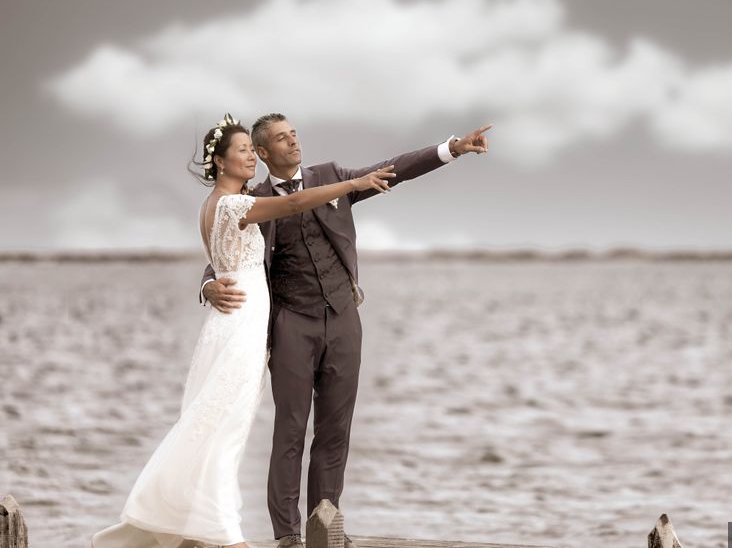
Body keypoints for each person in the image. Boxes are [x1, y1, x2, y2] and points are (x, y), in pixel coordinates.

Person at [91, 114, 395, 548]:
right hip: (241, 329)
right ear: (219, 160)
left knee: (215, 424)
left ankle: (191, 524)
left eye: (253, 151)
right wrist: (353, 184)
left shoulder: (216, 205)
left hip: (240, 326)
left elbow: (225, 258)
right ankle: (226, 533)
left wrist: (210, 284)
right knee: (226, 428)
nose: (251, 156)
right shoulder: (236, 204)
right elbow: (291, 206)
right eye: (243, 151)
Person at [200, 113, 491, 548]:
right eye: (281, 139)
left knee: (336, 426)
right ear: (262, 153)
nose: (293, 142)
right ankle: (287, 536)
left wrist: (451, 149)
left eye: (294, 134)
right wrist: (207, 285)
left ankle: (325, 522)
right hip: (290, 323)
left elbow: (395, 168)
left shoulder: (332, 177)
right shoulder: (254, 198)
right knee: (291, 429)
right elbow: (226, 250)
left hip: (342, 320)